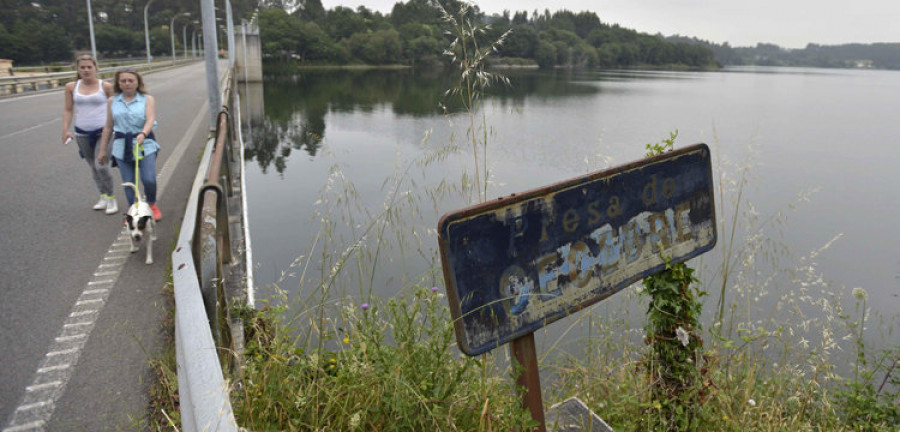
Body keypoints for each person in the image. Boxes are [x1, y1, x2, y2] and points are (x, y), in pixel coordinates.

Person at [97, 68, 162, 221]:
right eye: (123, 81)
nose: (127, 84)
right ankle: (133, 210)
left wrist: (143, 133)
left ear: (138, 82)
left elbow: (150, 120)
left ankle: (151, 204)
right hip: (121, 146)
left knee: (148, 179)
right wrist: (102, 150)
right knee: (129, 183)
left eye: (131, 80)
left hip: (144, 143)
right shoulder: (112, 101)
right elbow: (108, 126)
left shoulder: (147, 99)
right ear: (118, 83)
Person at [62, 54, 118, 214]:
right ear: (77, 69)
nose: (86, 70)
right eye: (82, 67)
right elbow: (68, 109)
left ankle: (112, 198)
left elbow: (116, 108)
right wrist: (65, 129)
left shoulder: (106, 86)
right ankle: (103, 196)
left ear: (96, 68)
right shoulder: (71, 87)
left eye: (89, 67)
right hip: (82, 133)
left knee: (101, 165)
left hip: (103, 132)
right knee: (93, 166)